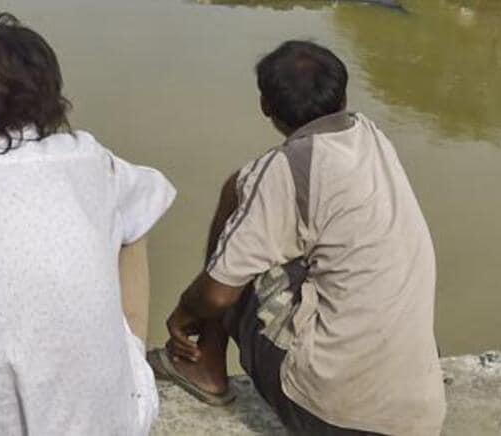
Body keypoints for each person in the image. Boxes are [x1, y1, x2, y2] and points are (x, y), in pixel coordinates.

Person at [0, 12, 175, 436]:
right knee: (135, 214)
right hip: (119, 424)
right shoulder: (93, 159)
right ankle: (126, 365)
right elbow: (156, 192)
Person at [155, 40, 445, 435]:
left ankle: (205, 363)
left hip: (335, 415)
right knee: (254, 205)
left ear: (265, 106)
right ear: (343, 95)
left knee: (239, 239)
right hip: (419, 413)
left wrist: (185, 311)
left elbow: (219, 294)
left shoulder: (283, 170)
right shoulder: (371, 135)